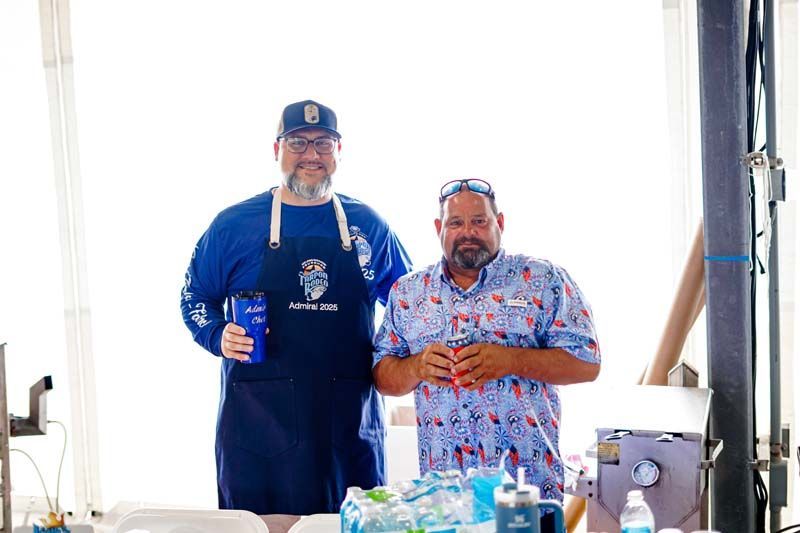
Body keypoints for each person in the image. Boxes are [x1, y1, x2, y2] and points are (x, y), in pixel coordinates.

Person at [181, 99, 412, 515]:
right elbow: (194, 296)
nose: (311, 154)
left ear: (339, 150)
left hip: (348, 429)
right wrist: (218, 334)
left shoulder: (368, 226)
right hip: (259, 432)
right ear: (277, 150)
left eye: (323, 143)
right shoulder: (234, 225)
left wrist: (407, 363)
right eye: (298, 143)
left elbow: (411, 305)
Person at [372, 179, 600, 532]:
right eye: (456, 222)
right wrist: (416, 366)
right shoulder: (408, 293)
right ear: (439, 228)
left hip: (529, 493)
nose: (468, 232)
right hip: (446, 503)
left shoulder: (542, 279)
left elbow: (586, 363)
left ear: (500, 223)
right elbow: (382, 378)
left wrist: (510, 360)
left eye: (479, 221)